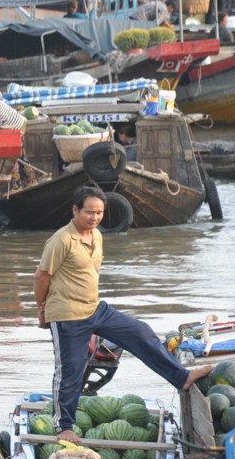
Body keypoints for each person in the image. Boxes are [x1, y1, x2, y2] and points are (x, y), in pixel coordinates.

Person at [33, 186, 212, 443]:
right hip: (68, 316)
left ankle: (181, 377)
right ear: (75, 210)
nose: (94, 217)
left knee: (141, 332)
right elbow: (41, 277)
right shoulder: (61, 240)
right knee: (70, 371)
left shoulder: (96, 235)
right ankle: (64, 427)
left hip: (96, 308)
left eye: (99, 212)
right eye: (89, 212)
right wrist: (42, 311)